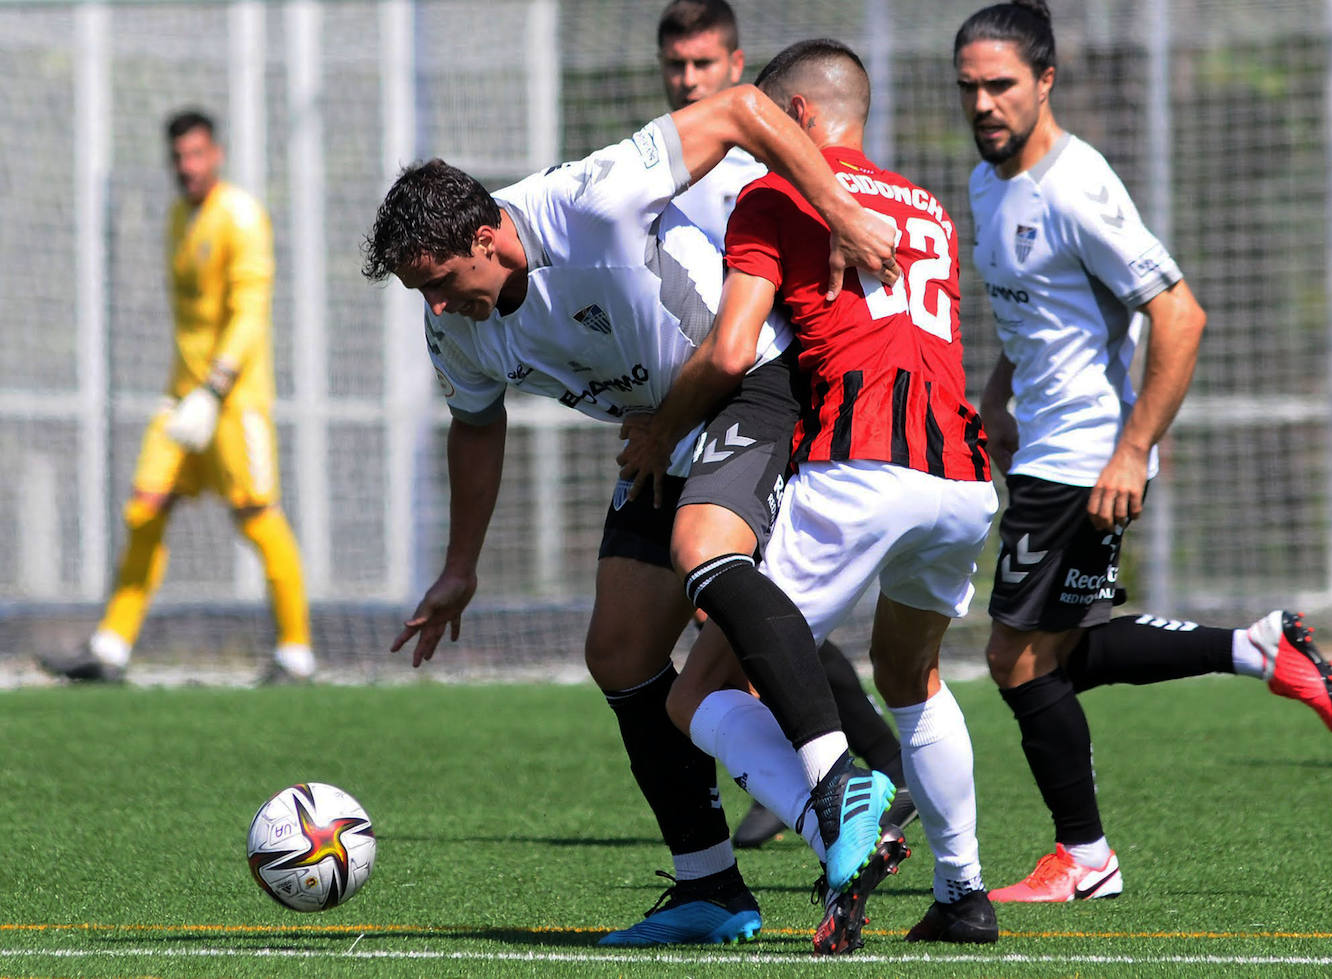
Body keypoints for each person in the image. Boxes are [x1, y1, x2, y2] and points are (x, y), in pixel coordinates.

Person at [362, 84, 899, 945]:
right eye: (417, 292)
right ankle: (710, 887)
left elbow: (742, 108)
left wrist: (834, 209)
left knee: (704, 552)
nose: (434, 306)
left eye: (440, 281)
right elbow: (475, 423)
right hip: (659, 431)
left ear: (486, 236)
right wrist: (461, 565)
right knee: (617, 650)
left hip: (746, 382)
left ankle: (839, 780)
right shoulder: (454, 325)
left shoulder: (592, 198)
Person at [952, 0, 1332, 903]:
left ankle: (1085, 858)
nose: (983, 104)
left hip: (1087, 455)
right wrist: (998, 397)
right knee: (1058, 647)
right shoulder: (988, 181)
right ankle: (1256, 647)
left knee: (1016, 656)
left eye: (1002, 85)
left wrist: (1131, 450)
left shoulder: (1076, 185)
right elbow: (1033, 312)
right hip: (1044, 444)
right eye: (969, 87)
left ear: (1045, 80)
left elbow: (1180, 312)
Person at [620, 38, 1001, 954]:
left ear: (793, 118)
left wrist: (660, 433)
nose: (748, 145)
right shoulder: (927, 207)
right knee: (912, 676)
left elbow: (730, 346)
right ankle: (964, 892)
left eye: (761, 125)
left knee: (695, 688)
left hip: (861, 467)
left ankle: (837, 806)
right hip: (959, 475)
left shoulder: (774, 192)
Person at [656, 0, 917, 851]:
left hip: (777, 397)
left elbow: (754, 320)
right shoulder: (675, 162)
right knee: (752, 608)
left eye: (704, 67)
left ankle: (844, 777)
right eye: (677, 67)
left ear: (739, 70)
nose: (688, 81)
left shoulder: (776, 171)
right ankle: (856, 775)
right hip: (718, 396)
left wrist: (835, 209)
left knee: (731, 600)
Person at [40, 109, 315, 685]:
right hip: (180, 399)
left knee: (258, 518)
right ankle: (111, 648)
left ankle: (295, 652)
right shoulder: (175, 219)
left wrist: (215, 389)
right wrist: (189, 394)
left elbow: (249, 314)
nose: (187, 167)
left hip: (234, 401)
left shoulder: (240, 216)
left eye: (197, 154)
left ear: (217, 154)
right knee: (144, 509)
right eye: (179, 157)